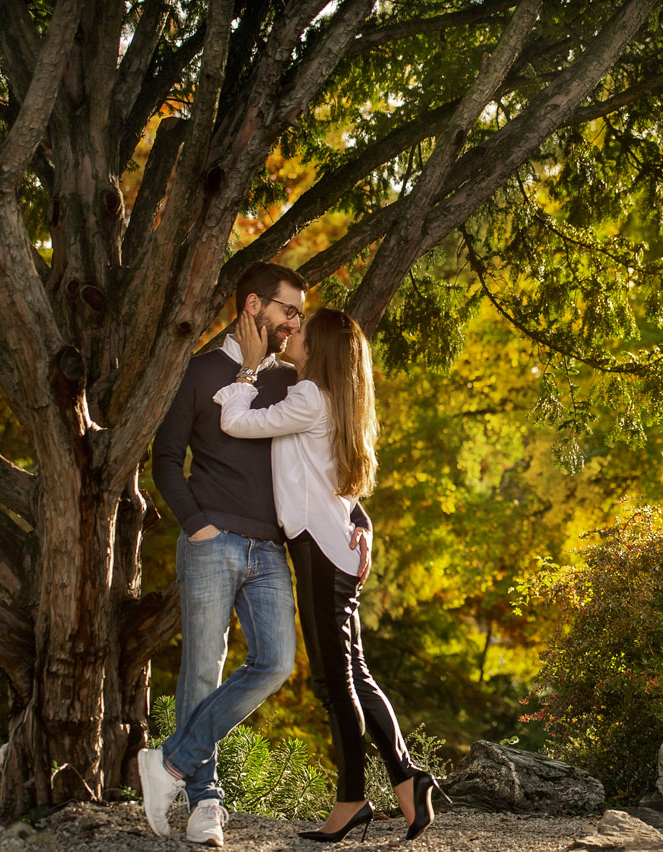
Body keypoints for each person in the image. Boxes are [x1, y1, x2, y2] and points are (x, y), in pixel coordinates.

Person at [144, 263, 369, 847]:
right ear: (253, 306)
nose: (295, 322)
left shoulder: (291, 380)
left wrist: (358, 517)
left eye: (299, 313)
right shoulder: (198, 373)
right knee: (201, 668)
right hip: (212, 539)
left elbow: (328, 454)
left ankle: (168, 761)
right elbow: (165, 459)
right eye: (288, 310)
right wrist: (195, 523)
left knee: (275, 665)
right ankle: (205, 803)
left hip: (273, 548)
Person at [213, 306, 447, 843]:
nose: (291, 335)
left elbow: (235, 421)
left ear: (318, 349)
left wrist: (247, 370)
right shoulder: (336, 400)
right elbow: (339, 481)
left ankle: (351, 800)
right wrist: (360, 521)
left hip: (320, 552)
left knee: (334, 684)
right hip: (333, 548)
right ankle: (408, 777)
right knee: (356, 676)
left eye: (302, 332)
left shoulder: (309, 397)